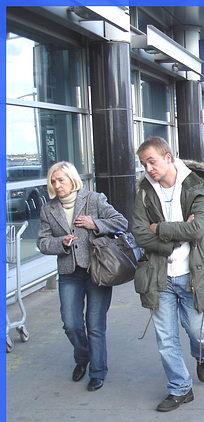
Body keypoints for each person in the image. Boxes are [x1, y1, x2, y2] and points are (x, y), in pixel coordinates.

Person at [132, 137, 204, 412]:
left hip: (192, 275)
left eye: (152, 161)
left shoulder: (196, 185)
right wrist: (174, 238)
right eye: (143, 164)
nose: (148, 168)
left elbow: (196, 231)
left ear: (168, 157)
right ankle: (180, 389)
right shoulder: (144, 193)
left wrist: (158, 229)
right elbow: (138, 233)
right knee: (166, 338)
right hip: (159, 277)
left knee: (199, 333)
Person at [37, 162, 128, 391]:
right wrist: (61, 243)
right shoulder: (49, 209)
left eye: (61, 180)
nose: (57, 185)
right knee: (71, 324)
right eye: (53, 181)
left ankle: (97, 372)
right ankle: (83, 357)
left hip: (97, 270)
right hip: (69, 273)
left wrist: (94, 223)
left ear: (72, 179)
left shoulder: (93, 199)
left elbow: (121, 222)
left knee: (95, 325)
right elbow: (42, 242)